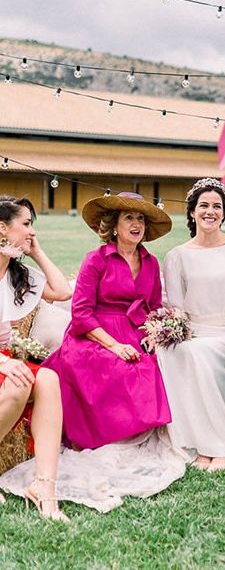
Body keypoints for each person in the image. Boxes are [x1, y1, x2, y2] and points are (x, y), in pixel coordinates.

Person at [43, 192, 172, 450]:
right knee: (112, 367)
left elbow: (155, 307)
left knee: (154, 366)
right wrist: (114, 346)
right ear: (114, 225)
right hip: (94, 333)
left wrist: (153, 334)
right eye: (129, 218)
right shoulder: (96, 259)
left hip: (135, 332)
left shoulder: (150, 262)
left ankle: (137, 436)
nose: (136, 224)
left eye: (141, 219)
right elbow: (80, 313)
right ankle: (101, 437)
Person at [159, 178, 225, 472]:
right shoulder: (177, 256)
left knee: (199, 354)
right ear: (192, 212)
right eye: (204, 205)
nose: (210, 211)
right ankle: (201, 445)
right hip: (194, 331)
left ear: (224, 213)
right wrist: (172, 330)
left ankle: (221, 446)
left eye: (217, 206)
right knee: (173, 353)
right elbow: (177, 307)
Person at [0, 195, 72, 521]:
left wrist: (36, 251)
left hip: (5, 357)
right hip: (2, 362)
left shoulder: (18, 275)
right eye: (26, 224)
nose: (32, 232)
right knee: (18, 383)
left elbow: (61, 291)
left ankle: (45, 486)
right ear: (2, 227)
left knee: (48, 377)